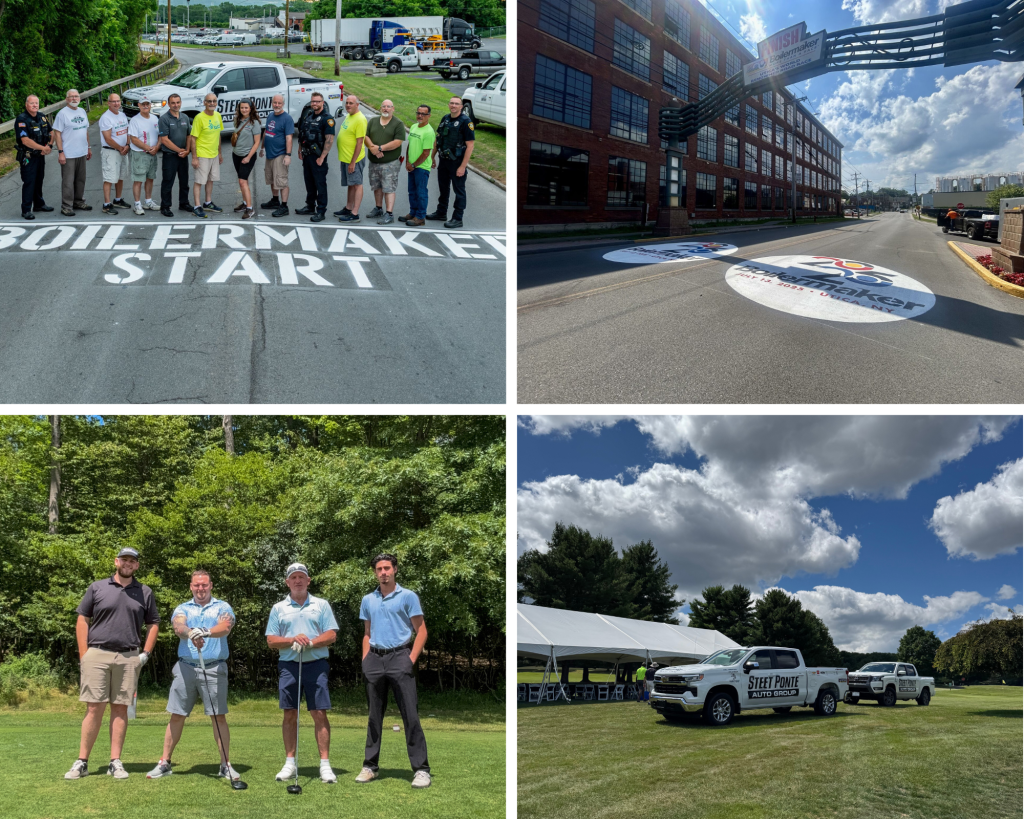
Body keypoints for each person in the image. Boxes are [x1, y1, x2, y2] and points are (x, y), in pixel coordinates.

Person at [64, 547, 160, 781]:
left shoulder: (144, 592)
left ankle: (115, 761)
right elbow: (82, 619)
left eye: (132, 561)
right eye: (124, 559)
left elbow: (153, 623)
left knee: (120, 708)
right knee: (94, 707)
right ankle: (82, 761)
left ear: (136, 566)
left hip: (128, 656)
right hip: (97, 653)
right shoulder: (98, 587)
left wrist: (145, 654)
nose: (128, 563)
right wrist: (84, 653)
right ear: (116, 562)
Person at [146, 570, 239, 781]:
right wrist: (191, 632)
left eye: (204, 585)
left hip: (214, 667)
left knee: (218, 717)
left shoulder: (222, 607)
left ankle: (225, 765)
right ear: (191, 586)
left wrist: (204, 632)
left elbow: (225, 626)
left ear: (211, 585)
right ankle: (165, 763)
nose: (200, 588)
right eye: (196, 585)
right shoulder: (183, 608)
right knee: (177, 714)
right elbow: (178, 625)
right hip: (186, 666)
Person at [356, 553, 430, 789]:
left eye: (387, 568)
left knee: (410, 715)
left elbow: (422, 631)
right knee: (373, 717)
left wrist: (410, 660)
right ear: (375, 573)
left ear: (395, 569)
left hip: (400, 657)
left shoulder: (408, 596)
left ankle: (421, 770)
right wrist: (365, 660)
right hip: (374, 660)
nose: (383, 572)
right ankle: (370, 767)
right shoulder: (368, 599)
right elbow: (367, 632)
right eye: (379, 569)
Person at [266, 563, 339, 784]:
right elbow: (271, 640)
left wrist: (310, 642)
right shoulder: (279, 608)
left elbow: (331, 634)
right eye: (293, 577)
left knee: (319, 713)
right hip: (289, 666)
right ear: (287, 582)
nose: (298, 580)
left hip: (316, 665)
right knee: (289, 714)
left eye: (302, 577)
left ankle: (325, 765)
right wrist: (292, 640)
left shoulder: (321, 605)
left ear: (308, 581)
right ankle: (289, 763)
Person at [426, 96, 475, 229]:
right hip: (444, 160)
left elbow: (470, 145)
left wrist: (463, 166)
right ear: (449, 105)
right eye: (451, 103)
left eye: (456, 104)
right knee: (443, 188)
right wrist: (432, 157)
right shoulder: (445, 118)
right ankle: (441, 212)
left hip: (457, 162)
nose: (453, 105)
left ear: (461, 107)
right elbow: (439, 139)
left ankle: (457, 218)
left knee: (459, 191)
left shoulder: (466, 122)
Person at [363, 99, 405, 226]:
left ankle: (389, 213)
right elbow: (365, 136)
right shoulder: (373, 121)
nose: (386, 109)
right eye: (384, 106)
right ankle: (378, 208)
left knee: (388, 188)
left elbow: (398, 142)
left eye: (389, 107)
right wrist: (373, 148)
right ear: (380, 108)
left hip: (390, 163)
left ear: (393, 109)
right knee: (377, 186)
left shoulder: (398, 123)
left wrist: (380, 148)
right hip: (374, 161)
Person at [51, 89, 92, 217]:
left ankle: (78, 201)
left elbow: (85, 130)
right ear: (66, 99)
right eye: (71, 97)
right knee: (68, 181)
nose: (74, 99)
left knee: (81, 179)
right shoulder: (62, 114)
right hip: (68, 153)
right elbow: (57, 134)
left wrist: (88, 147)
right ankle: (66, 206)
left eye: (76, 96)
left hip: (81, 151)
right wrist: (61, 152)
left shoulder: (82, 111)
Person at [295, 92, 335, 222]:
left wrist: (322, 157)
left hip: (318, 157)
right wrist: (300, 149)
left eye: (317, 101)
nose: (315, 104)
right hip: (307, 156)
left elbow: (329, 140)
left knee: (320, 184)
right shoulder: (308, 116)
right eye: (313, 101)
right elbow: (303, 134)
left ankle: (321, 211)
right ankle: (310, 206)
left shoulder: (327, 119)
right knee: (309, 182)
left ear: (322, 103)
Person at [15, 94, 54, 220]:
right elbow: (25, 140)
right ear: (26, 105)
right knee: (29, 181)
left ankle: (39, 204)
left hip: (40, 155)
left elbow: (51, 132)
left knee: (39, 180)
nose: (34, 106)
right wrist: (43, 148)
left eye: (36, 103)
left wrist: (49, 146)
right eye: (32, 103)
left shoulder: (42, 117)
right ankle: (26, 210)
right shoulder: (22, 119)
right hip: (28, 156)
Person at [189, 93, 225, 218]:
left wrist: (219, 153)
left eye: (214, 101)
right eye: (209, 101)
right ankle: (197, 207)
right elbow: (193, 139)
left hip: (214, 154)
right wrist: (194, 157)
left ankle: (208, 203)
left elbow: (218, 135)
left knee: (211, 180)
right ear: (204, 102)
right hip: (202, 154)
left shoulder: (218, 116)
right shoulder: (199, 118)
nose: (212, 103)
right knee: (199, 181)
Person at [157, 93, 192, 217]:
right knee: (168, 182)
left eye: (178, 102)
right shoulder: (164, 119)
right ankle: (165, 206)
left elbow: (189, 135)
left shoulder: (185, 117)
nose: (176, 105)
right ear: (169, 104)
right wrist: (179, 150)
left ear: (181, 103)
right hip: (170, 156)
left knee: (184, 181)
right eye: (173, 103)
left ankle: (184, 203)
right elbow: (164, 140)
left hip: (183, 155)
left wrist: (187, 150)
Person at [334, 94, 366, 222]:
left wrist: (353, 162)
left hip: (355, 159)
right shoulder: (349, 116)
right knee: (351, 184)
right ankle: (348, 208)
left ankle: (355, 213)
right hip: (346, 158)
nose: (348, 105)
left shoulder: (360, 119)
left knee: (357, 184)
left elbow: (360, 142)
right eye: (346, 103)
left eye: (351, 103)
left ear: (357, 105)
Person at [259, 94, 293, 218]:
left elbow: (289, 138)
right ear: (272, 103)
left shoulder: (287, 118)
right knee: (272, 178)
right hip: (270, 154)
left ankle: (284, 206)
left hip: (280, 154)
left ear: (283, 104)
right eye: (275, 103)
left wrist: (288, 155)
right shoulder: (270, 115)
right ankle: (275, 200)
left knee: (281, 180)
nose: (277, 105)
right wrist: (262, 148)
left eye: (279, 103)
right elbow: (266, 133)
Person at [98, 93, 132, 214]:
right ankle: (106, 204)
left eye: (118, 101)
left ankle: (118, 199)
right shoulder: (106, 118)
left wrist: (127, 145)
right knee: (109, 178)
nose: (116, 103)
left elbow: (127, 131)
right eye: (113, 101)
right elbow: (108, 138)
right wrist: (120, 148)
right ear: (109, 103)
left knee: (120, 176)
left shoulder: (122, 115)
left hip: (123, 150)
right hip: (111, 152)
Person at [401, 105, 434, 228]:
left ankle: (420, 217)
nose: (420, 116)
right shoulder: (414, 127)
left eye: (423, 114)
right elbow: (409, 145)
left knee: (421, 192)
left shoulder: (429, 132)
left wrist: (414, 165)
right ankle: (413, 213)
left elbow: (426, 153)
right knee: (412, 191)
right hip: (412, 166)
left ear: (428, 116)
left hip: (421, 167)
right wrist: (407, 162)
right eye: (418, 113)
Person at [127, 97, 161, 215]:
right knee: (138, 180)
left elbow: (160, 135)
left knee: (150, 178)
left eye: (147, 104)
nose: (145, 106)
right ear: (139, 105)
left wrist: (156, 148)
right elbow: (134, 139)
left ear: (150, 105)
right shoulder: (135, 120)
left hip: (152, 153)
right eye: (143, 104)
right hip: (140, 154)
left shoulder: (154, 118)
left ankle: (148, 201)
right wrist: (148, 148)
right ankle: (137, 204)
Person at [231, 99, 262, 219]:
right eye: (242, 108)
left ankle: (250, 208)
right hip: (236, 154)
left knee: (242, 181)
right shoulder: (238, 120)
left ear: (251, 108)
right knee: (242, 180)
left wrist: (248, 157)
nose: (244, 110)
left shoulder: (254, 123)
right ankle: (244, 204)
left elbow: (257, 142)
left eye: (246, 108)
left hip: (247, 156)